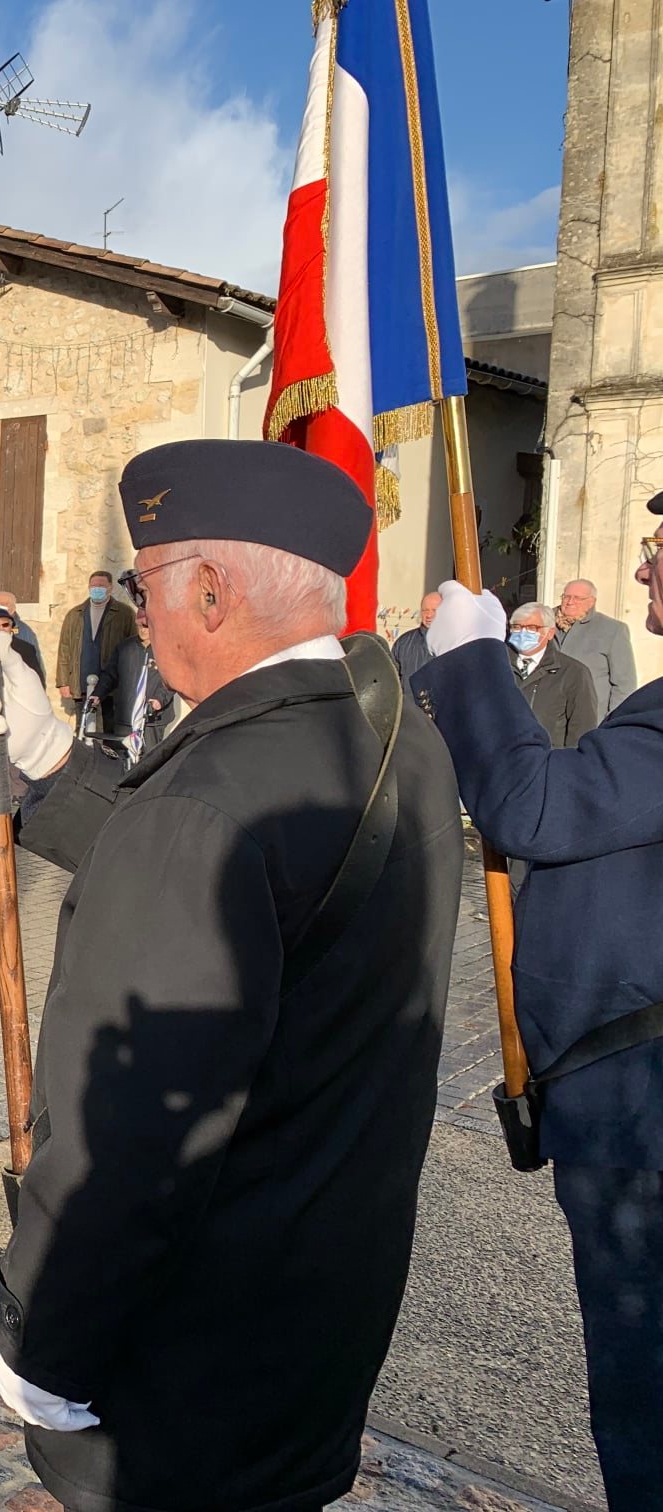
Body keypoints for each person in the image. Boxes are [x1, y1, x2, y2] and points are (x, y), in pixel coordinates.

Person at [0, 439, 464, 1512]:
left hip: (188, 1363)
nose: (139, 613)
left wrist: (41, 1342)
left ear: (216, 591)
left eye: (148, 585)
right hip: (314, 1327)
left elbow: (133, 1133)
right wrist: (54, 765)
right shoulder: (396, 739)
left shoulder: (210, 794)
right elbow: (252, 888)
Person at [411, 505, 663, 1511]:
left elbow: (537, 808)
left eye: (661, 554)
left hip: (643, 1124)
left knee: (646, 1411)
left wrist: (473, 661)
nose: (646, 570)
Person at [508, 600, 597, 748]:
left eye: (532, 628)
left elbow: (582, 727)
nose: (523, 633)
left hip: (546, 760)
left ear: (549, 633)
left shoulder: (573, 672)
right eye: (517, 627)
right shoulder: (497, 665)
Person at [54, 568, 136, 724]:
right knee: (82, 723)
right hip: (80, 679)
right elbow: (64, 649)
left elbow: (133, 647)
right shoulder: (75, 614)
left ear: (110, 588)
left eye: (101, 585)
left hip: (112, 683)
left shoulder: (124, 614)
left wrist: (129, 679)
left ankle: (108, 749)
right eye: (93, 585)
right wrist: (63, 682)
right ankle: (84, 748)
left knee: (110, 724)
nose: (96, 588)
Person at [554, 577, 637, 717]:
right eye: (566, 596)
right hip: (549, 715)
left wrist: (613, 720)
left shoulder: (613, 630)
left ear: (591, 602)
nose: (570, 602)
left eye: (578, 598)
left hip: (590, 716)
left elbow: (624, 684)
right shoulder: (545, 622)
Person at [102, 613, 172, 757]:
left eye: (146, 627)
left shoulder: (167, 649)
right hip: (126, 718)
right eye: (140, 626)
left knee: (149, 760)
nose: (143, 630)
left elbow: (172, 680)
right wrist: (97, 694)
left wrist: (159, 700)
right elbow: (109, 675)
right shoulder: (124, 648)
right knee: (122, 759)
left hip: (151, 719)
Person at [392, 590, 442, 686]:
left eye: (434, 610)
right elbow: (392, 679)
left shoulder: (454, 642)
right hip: (409, 700)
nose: (429, 615)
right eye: (425, 610)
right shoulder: (403, 643)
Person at [0, 602, 45, 683]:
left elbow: (37, 677)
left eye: (5, 625)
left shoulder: (26, 649)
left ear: (11, 626)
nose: (1, 628)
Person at [0, 590, 42, 663]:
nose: (0, 607)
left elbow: (35, 660)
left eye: (4, 604)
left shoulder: (25, 631)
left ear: (13, 608)